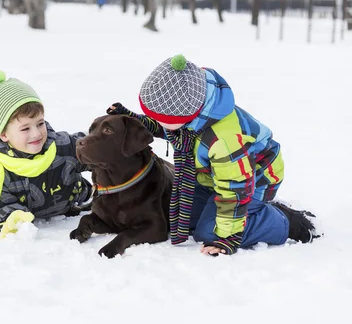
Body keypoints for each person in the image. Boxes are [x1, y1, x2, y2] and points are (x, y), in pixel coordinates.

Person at [108, 54, 321, 256]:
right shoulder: (193, 113)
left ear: (183, 115)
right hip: (215, 178)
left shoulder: (224, 140)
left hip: (254, 180)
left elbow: (235, 190)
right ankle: (251, 214)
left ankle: (286, 221)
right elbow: (165, 126)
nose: (159, 123)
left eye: (160, 118)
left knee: (209, 232)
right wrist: (132, 118)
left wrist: (227, 238)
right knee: (179, 216)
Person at [0, 70, 92, 237]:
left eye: (40, 123)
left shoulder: (59, 146)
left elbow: (90, 149)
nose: (36, 134)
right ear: (4, 134)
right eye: (25, 128)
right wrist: (15, 218)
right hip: (34, 218)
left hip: (74, 200)